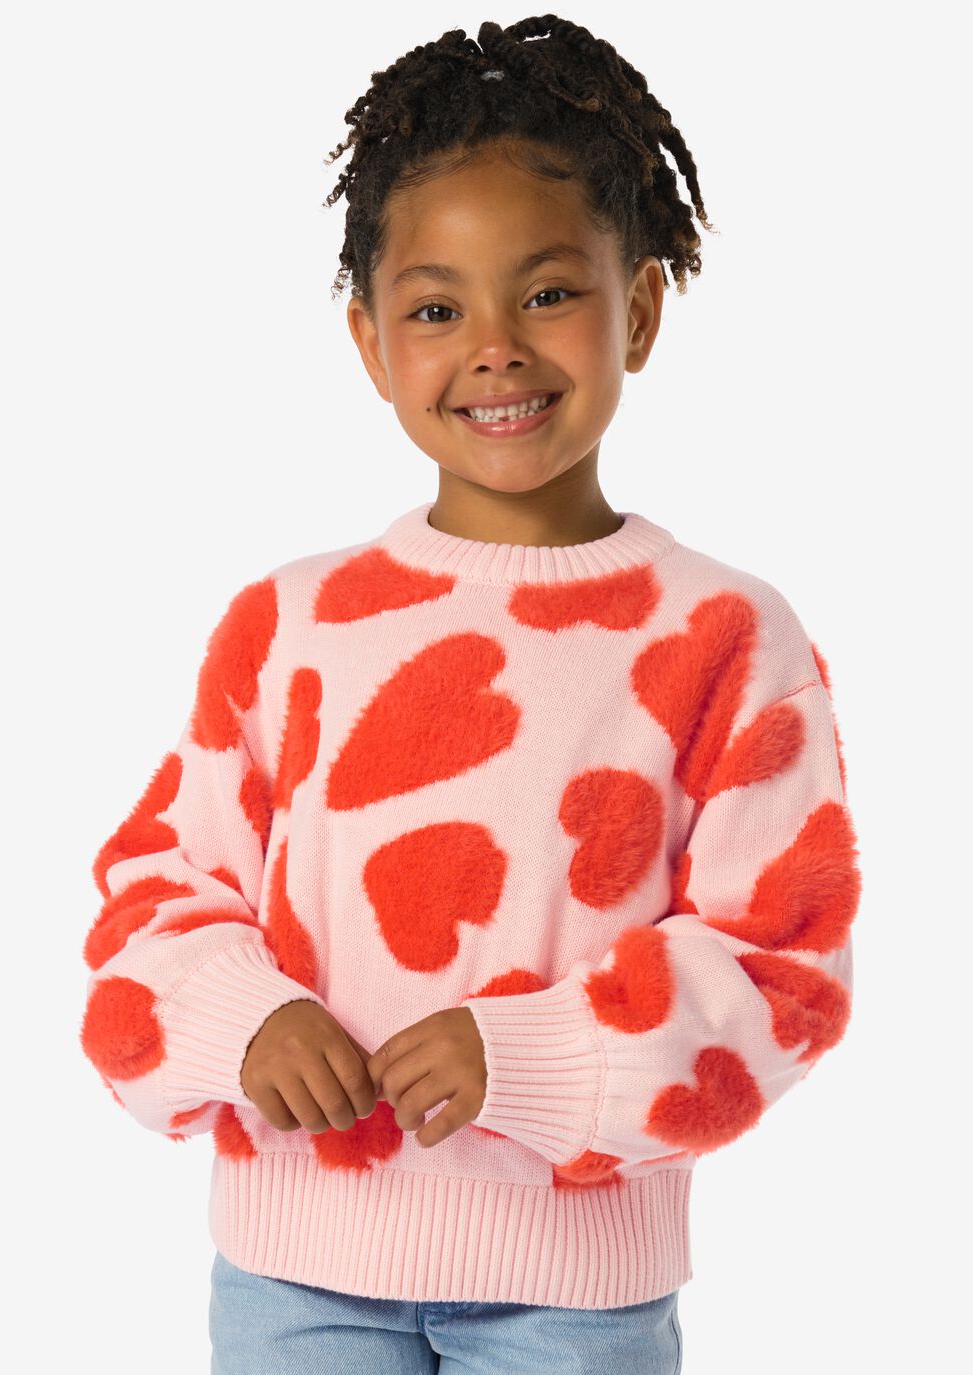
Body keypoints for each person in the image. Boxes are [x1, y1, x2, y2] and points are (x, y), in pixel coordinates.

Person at [79, 16, 860, 1374]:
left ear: (642, 307)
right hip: (294, 1276)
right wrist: (244, 1018)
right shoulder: (289, 625)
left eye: (547, 293)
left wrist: (534, 1057)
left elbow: (781, 965)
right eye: (437, 310)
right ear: (372, 343)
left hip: (576, 1299)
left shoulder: (727, 635)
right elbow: (155, 892)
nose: (493, 348)